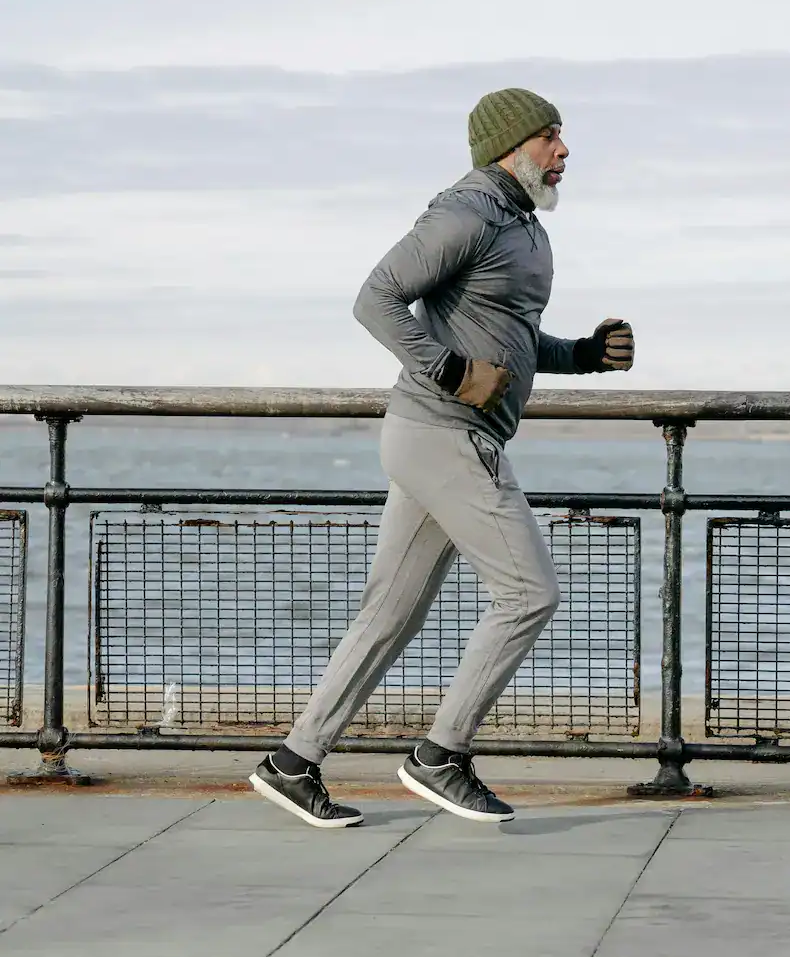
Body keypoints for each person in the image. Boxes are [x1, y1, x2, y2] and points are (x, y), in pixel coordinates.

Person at [250, 88, 635, 827]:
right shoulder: (466, 212)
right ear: (510, 146)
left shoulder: (522, 225)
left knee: (388, 614)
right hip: (445, 433)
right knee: (529, 593)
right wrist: (450, 370)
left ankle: (293, 762)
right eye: (550, 136)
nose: (563, 150)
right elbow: (376, 298)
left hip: (440, 438)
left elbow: (514, 340)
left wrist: (585, 354)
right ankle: (440, 756)